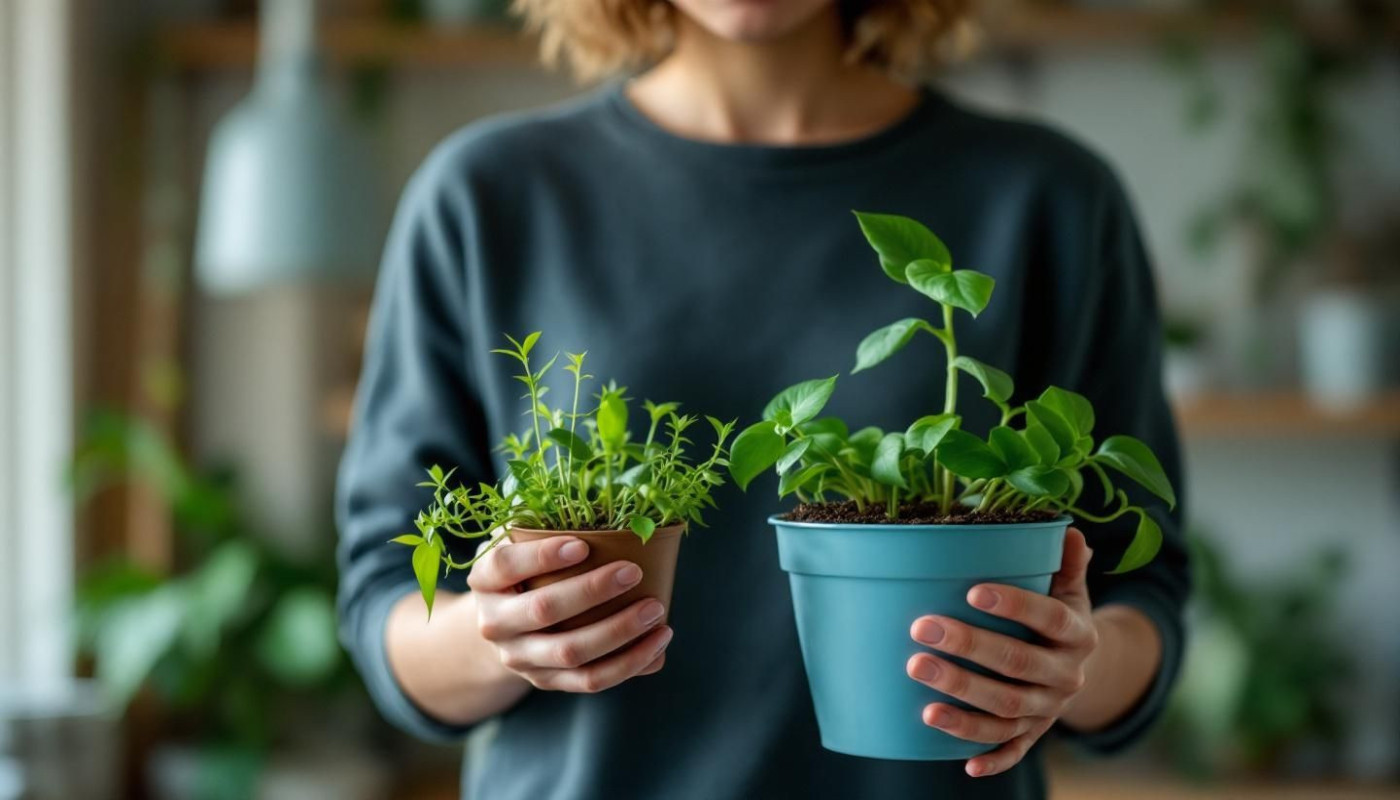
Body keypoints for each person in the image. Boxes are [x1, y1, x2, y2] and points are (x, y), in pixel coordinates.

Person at [335, 1, 1190, 797]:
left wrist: (1073, 664)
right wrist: (501, 633)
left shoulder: (1047, 198)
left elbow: (1140, 593)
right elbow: (386, 603)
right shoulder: (488, 196)